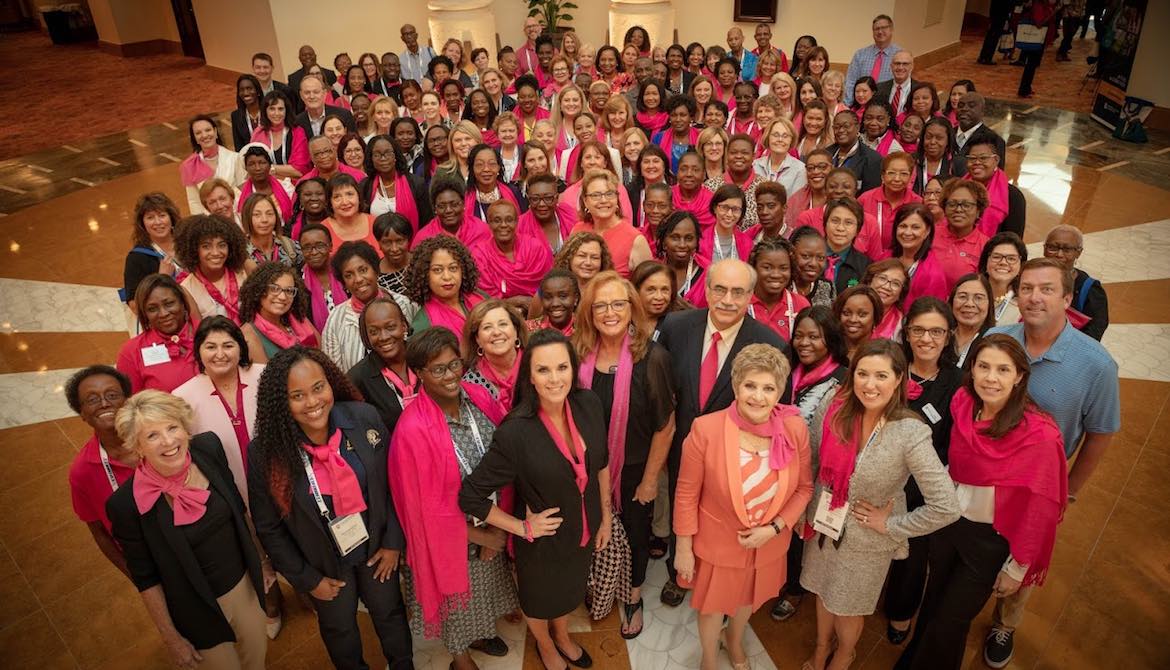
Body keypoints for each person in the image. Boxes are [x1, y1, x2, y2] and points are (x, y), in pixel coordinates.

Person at [897, 335, 1067, 669]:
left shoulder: (1040, 435)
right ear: (971, 368)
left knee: (952, 619)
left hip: (989, 539)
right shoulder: (963, 402)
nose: (991, 377)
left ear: (1019, 376)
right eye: (984, 366)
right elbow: (954, 464)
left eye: (1003, 370)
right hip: (947, 525)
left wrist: (1017, 568)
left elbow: (1040, 511)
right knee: (933, 604)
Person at [981, 259, 1120, 668]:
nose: (1034, 297)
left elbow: (1101, 433)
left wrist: (1069, 491)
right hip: (984, 474)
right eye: (1026, 288)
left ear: (1066, 297)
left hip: (1038, 487)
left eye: (1046, 289)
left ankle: (1005, 623)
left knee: (1023, 558)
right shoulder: (997, 338)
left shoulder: (1096, 365)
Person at [247, 347, 412, 669]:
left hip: (377, 549)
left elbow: (395, 484)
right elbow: (269, 527)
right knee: (339, 629)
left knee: (390, 613)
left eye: (318, 388)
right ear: (281, 402)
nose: (312, 402)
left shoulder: (364, 418)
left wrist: (393, 542)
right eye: (297, 395)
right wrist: (307, 579)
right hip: (323, 565)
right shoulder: (265, 453)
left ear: (330, 383)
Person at [800, 338, 959, 670]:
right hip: (823, 521)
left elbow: (946, 506)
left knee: (846, 606)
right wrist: (804, 509)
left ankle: (844, 654)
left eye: (881, 376)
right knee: (820, 589)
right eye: (862, 374)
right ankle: (820, 647)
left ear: (899, 378)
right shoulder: (835, 402)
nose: (869, 385)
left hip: (865, 540)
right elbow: (812, 458)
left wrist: (891, 525)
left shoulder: (909, 431)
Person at [458, 328, 609, 670]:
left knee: (569, 593)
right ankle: (545, 643)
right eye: (543, 370)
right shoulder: (516, 431)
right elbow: (471, 496)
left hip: (584, 531)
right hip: (542, 545)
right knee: (540, 600)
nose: (555, 378)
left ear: (573, 368)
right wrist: (522, 527)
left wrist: (606, 517)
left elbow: (601, 463)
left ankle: (563, 635)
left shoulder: (589, 404)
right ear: (530, 376)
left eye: (562, 368)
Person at [654, 258, 789, 606]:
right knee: (680, 510)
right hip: (682, 445)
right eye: (720, 289)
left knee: (723, 522)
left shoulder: (769, 343)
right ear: (708, 290)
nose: (728, 300)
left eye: (738, 292)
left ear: (750, 296)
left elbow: (772, 409)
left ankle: (722, 586)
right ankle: (678, 573)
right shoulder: (675, 325)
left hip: (735, 455)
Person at [384, 327, 519, 668]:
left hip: (492, 519)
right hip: (452, 539)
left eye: (454, 364)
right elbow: (423, 511)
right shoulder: (411, 430)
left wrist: (499, 528)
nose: (450, 375)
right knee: (457, 604)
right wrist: (482, 536)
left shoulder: (477, 395)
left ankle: (483, 631)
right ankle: (460, 658)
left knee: (484, 593)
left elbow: (506, 454)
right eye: (438, 369)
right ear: (419, 374)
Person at [107, 390, 269, 670]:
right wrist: (171, 638)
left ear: (185, 428)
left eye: (172, 427)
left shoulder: (208, 449)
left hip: (244, 589)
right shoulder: (125, 505)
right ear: (137, 447)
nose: (169, 441)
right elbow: (146, 579)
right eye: (152, 435)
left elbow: (239, 512)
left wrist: (262, 562)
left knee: (257, 660)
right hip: (194, 611)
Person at [674, 343, 811, 669]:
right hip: (717, 544)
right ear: (736, 386)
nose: (758, 397)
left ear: (780, 391)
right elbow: (686, 494)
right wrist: (683, 547)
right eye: (750, 385)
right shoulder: (706, 429)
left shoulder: (794, 428)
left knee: (747, 600)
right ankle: (708, 659)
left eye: (769, 388)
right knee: (711, 607)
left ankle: (733, 642)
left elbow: (804, 489)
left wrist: (775, 528)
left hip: (768, 544)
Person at [571, 271, 676, 637]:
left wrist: (649, 482)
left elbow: (666, 426)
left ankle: (632, 596)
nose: (610, 312)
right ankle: (597, 584)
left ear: (632, 309)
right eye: (601, 305)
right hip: (585, 470)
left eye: (619, 303)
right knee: (590, 530)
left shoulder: (653, 358)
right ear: (589, 312)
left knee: (634, 533)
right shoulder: (578, 354)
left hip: (633, 470)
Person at [172, 316, 286, 637]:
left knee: (291, 535)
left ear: (240, 348)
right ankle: (272, 604)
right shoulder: (182, 397)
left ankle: (307, 590)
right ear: (198, 351)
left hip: (277, 482)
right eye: (210, 346)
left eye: (227, 345)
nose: (220, 353)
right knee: (252, 549)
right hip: (229, 493)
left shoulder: (265, 378)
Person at [882, 297, 964, 643]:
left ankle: (900, 612)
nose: (926, 339)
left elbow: (955, 443)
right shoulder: (891, 366)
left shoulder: (958, 383)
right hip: (879, 472)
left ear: (948, 336)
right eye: (918, 330)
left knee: (912, 554)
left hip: (920, 484)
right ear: (907, 332)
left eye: (936, 332)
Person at [66, 366, 136, 577]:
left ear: (127, 401)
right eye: (92, 399)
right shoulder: (82, 472)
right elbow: (100, 534)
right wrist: (136, 577)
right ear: (82, 413)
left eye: (112, 395)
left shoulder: (162, 437)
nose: (105, 403)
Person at [346, 296, 415, 433]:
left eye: (390, 327)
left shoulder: (424, 357)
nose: (383, 337)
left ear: (404, 326)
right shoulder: (358, 378)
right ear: (366, 336)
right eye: (374, 332)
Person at [571, 169, 652, 277]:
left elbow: (647, 285)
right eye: (596, 195)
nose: (604, 200)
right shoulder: (577, 231)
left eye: (609, 194)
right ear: (585, 201)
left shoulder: (635, 239)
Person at [471, 200, 552, 307]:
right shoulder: (480, 255)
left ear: (517, 222)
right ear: (489, 224)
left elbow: (548, 285)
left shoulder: (535, 247)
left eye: (509, 220)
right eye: (497, 220)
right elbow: (483, 298)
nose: (503, 225)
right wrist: (516, 301)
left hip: (538, 308)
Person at [321, 241, 387, 372]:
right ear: (343, 282)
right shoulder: (336, 319)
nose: (358, 279)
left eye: (363, 270)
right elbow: (334, 372)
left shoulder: (402, 304)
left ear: (376, 270)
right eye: (349, 275)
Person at [406, 234, 486, 341]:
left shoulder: (480, 298)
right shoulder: (423, 324)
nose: (447, 277)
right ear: (424, 275)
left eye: (453, 268)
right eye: (437, 270)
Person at [176, 215, 252, 324]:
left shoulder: (244, 272)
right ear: (194, 250)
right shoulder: (187, 289)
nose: (215, 253)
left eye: (222, 245)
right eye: (206, 246)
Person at [238, 262, 319, 363]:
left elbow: (322, 354)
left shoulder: (299, 319)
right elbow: (264, 378)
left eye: (289, 291)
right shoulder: (248, 335)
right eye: (274, 289)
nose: (283, 297)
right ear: (259, 290)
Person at [1043, 224, 1108, 340]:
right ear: (1044, 249)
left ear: (1079, 252)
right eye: (1053, 247)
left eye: (1067, 249)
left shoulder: (1090, 290)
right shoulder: (1031, 275)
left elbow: (1093, 335)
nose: (1059, 254)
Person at [122, 193, 186, 310]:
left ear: (171, 217)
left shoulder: (187, 241)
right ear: (142, 224)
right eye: (150, 217)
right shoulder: (137, 258)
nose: (157, 222)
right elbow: (135, 305)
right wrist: (162, 278)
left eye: (162, 215)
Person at [747, 235, 810, 343]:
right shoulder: (741, 303)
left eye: (783, 268)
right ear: (754, 268)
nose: (776, 275)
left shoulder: (800, 305)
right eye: (767, 267)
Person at [858, 152, 921, 256]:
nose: (897, 179)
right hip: (868, 261)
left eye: (904, 174)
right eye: (891, 173)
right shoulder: (865, 199)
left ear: (911, 177)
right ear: (882, 176)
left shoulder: (917, 203)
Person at [932, 178, 990, 290]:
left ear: (979, 210)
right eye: (952, 204)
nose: (958, 210)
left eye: (966, 205)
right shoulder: (929, 235)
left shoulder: (986, 246)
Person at [964, 129, 1025, 237]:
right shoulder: (958, 188)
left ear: (996, 160)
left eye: (983, 158)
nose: (977, 162)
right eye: (972, 158)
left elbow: (1013, 239)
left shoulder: (1012, 196)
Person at [361, 135, 431, 226]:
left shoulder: (416, 184)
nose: (383, 158)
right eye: (377, 155)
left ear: (396, 156)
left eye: (388, 153)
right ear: (371, 159)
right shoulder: (365, 186)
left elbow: (427, 222)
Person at [182, 115, 244, 215]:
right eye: (198, 133)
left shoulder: (235, 158)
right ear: (195, 139)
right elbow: (194, 201)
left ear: (215, 132)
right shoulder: (190, 166)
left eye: (208, 130)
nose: (205, 135)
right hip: (210, 221)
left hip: (236, 214)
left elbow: (244, 190)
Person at [893, 203, 950, 304]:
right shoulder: (885, 257)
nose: (907, 232)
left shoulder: (933, 274)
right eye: (903, 226)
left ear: (927, 231)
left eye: (915, 227)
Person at [415, 176, 492, 250]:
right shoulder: (424, 237)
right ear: (435, 209)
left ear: (463, 204)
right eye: (442, 206)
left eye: (454, 205)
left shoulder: (481, 230)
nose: (448, 210)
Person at [845, 14, 901, 104]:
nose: (880, 32)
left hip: (887, 105)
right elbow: (850, 82)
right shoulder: (860, 54)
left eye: (884, 28)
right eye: (876, 29)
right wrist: (849, 105)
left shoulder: (899, 56)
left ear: (891, 30)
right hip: (860, 105)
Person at [298, 223, 345, 331]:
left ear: (330, 246)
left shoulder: (345, 274)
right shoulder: (298, 283)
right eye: (307, 247)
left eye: (320, 246)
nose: (314, 252)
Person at [656, 211, 708, 306]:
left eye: (689, 238)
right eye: (675, 238)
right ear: (664, 243)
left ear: (697, 242)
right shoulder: (652, 271)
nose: (682, 244)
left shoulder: (708, 273)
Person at [822, 197, 873, 294]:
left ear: (858, 229)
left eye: (848, 223)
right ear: (825, 224)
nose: (840, 228)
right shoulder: (809, 256)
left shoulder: (866, 266)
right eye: (835, 221)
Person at [241, 193, 302, 268]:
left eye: (269, 214)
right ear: (247, 218)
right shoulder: (240, 253)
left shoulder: (291, 247)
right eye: (257, 214)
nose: (264, 220)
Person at [980, 232, 1027, 326]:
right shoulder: (969, 293)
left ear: (1021, 266)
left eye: (1011, 259)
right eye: (996, 257)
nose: (1003, 262)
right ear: (986, 262)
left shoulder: (1024, 305)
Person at [950, 273, 996, 367]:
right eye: (962, 297)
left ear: (989, 304)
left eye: (978, 298)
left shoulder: (995, 344)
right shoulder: (940, 336)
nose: (969, 304)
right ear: (952, 301)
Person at [829, 111, 881, 193]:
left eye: (846, 126)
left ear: (858, 127)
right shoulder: (827, 153)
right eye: (836, 127)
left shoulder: (872, 159)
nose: (841, 130)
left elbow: (870, 195)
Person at [753, 117, 807, 197]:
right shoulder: (755, 165)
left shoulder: (800, 169)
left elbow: (796, 203)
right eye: (776, 135)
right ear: (768, 137)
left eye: (785, 136)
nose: (780, 139)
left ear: (791, 140)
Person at [913, 117, 967, 195]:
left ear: (948, 140)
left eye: (939, 138)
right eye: (928, 137)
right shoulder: (912, 160)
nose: (932, 142)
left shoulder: (958, 163)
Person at [1017, 0, 1060, 98]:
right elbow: (1039, 23)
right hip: (1035, 39)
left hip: (1040, 39)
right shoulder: (1039, 4)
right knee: (1030, 66)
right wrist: (1054, 12)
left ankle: (1026, 88)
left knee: (1032, 65)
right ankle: (1023, 90)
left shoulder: (1045, 5)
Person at [863, 258, 910, 339]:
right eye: (882, 278)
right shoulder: (851, 307)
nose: (887, 287)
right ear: (869, 281)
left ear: (900, 294)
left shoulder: (902, 326)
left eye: (896, 284)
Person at [953, 92, 1006, 163]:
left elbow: (997, 172)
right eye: (961, 105)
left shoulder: (994, 140)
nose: (964, 109)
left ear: (983, 111)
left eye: (971, 106)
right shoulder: (947, 134)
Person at [834, 285, 882, 359]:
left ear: (875, 317)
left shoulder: (882, 353)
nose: (853, 320)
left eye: (862, 315)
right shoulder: (828, 347)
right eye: (846, 313)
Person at [374, 213, 413, 295]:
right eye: (387, 242)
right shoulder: (375, 276)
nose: (394, 249)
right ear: (379, 243)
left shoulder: (421, 265)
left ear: (408, 240)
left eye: (399, 241)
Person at [874, 51, 916, 115]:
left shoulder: (920, 89)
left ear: (912, 67)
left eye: (905, 64)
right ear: (891, 66)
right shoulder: (879, 88)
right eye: (897, 63)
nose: (900, 68)